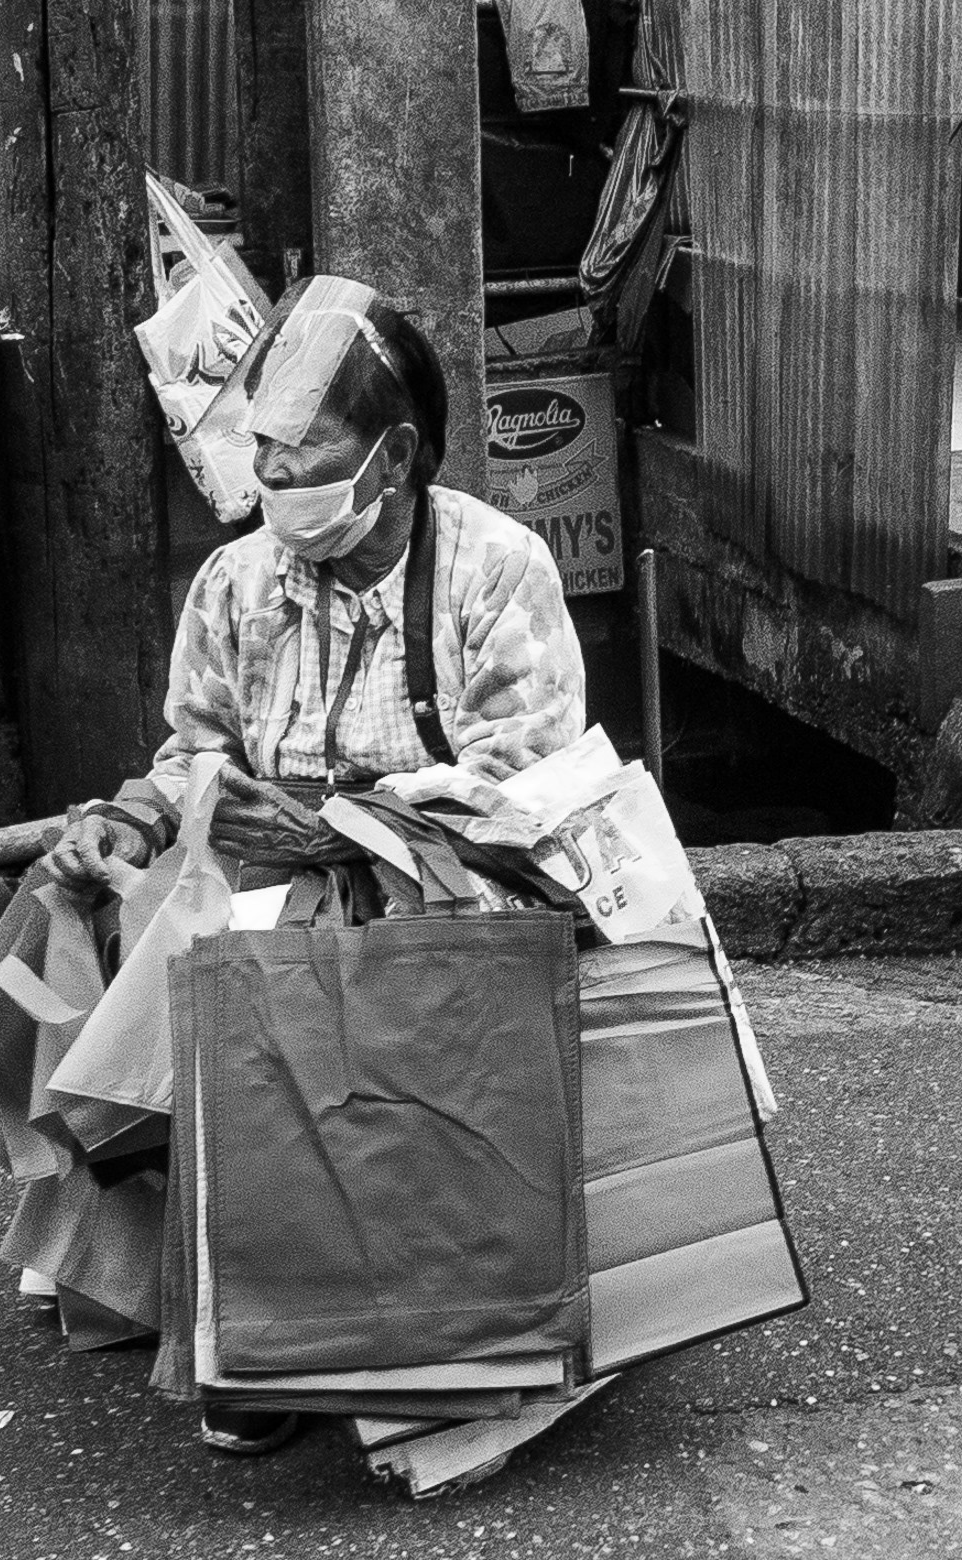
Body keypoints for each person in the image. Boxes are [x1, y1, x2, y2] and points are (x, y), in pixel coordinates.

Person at [42, 275, 586, 1455]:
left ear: (393, 457)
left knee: (272, 964)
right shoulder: (236, 583)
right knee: (76, 904)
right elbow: (195, 747)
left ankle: (309, 1320)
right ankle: (201, 1284)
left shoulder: (497, 567)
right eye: (266, 453)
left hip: (436, 875)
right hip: (269, 862)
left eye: (307, 453)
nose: (277, 480)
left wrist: (328, 834)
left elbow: (521, 792)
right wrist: (132, 823)